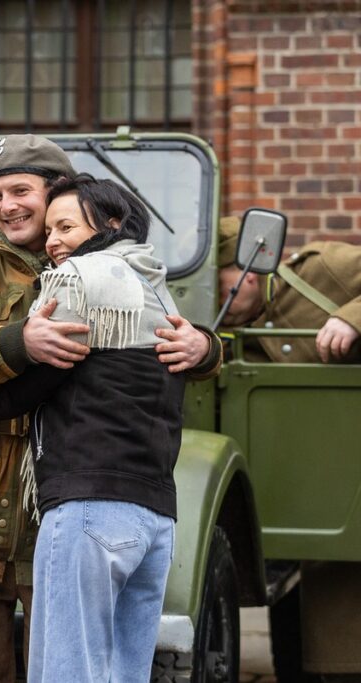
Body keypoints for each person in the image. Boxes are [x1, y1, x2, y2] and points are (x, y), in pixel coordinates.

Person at [0, 136, 220, 682]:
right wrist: (17, 343)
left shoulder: (108, 269)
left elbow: (165, 331)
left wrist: (205, 347)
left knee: (70, 666)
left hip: (65, 505)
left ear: (61, 193)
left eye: (21, 190)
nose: (7, 205)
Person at [218, 216, 361, 680]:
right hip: (298, 485)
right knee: (300, 602)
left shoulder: (325, 268)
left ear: (254, 268)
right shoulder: (227, 325)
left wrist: (351, 316)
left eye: (226, 290)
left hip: (348, 463)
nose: (220, 303)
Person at [217, 215, 361, 363]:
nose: (214, 301)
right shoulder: (219, 340)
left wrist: (352, 318)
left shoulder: (320, 266)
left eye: (217, 285)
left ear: (249, 272)